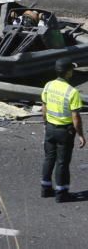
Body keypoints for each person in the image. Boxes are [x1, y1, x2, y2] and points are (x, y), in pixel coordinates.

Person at [40, 58, 85, 203]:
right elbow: (76, 117)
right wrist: (81, 135)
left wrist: (46, 122)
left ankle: (46, 189)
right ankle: (61, 193)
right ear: (68, 72)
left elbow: (44, 106)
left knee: (49, 158)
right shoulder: (72, 92)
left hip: (50, 128)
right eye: (71, 69)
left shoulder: (48, 85)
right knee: (62, 163)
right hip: (65, 132)